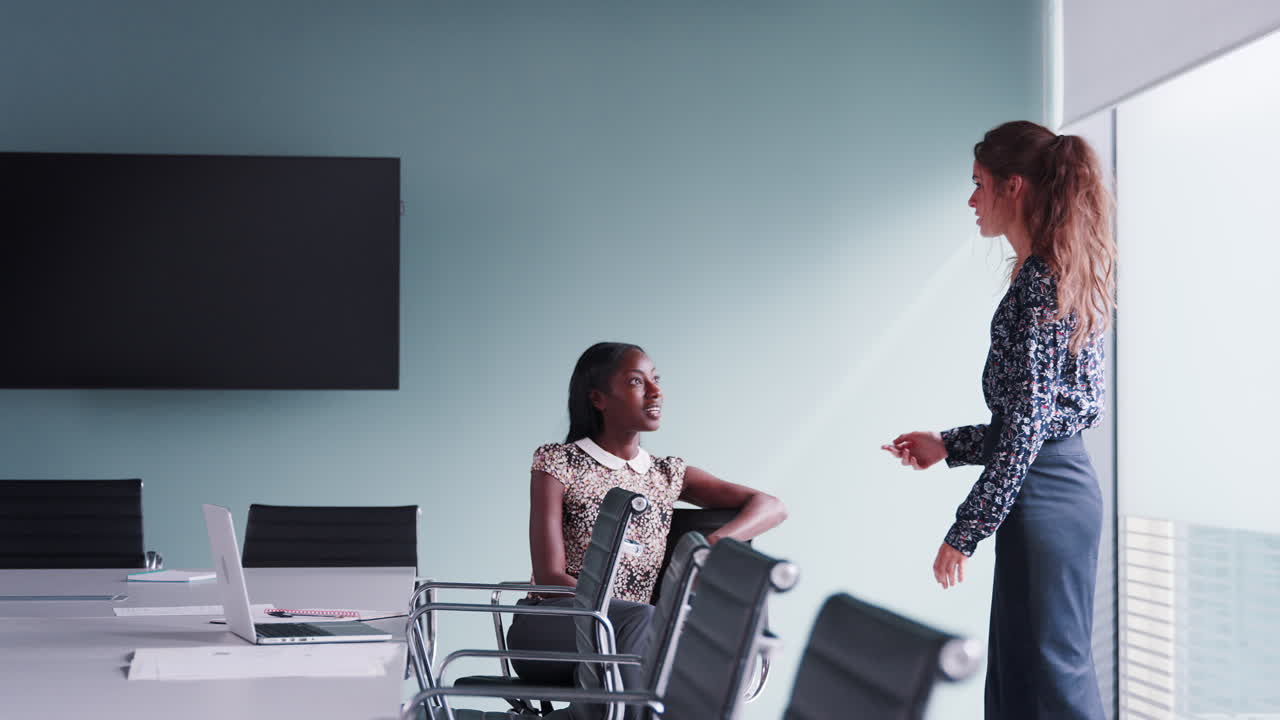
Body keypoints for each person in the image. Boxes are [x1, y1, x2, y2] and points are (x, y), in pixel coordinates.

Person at [883, 120, 1116, 719]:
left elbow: (1030, 427)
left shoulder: (1042, 283)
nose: (971, 200)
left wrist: (965, 531)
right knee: (1022, 670)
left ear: (1013, 187)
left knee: (1049, 673)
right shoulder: (1046, 276)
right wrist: (947, 445)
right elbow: (1031, 421)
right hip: (1045, 488)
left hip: (1047, 494)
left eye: (978, 184)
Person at [507, 341, 787, 707]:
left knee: (650, 633)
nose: (656, 391)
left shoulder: (667, 474)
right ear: (598, 399)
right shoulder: (559, 462)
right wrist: (632, 614)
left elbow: (772, 506)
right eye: (637, 382)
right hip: (554, 626)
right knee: (640, 623)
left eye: (656, 379)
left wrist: (715, 543)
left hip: (636, 637)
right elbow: (548, 576)